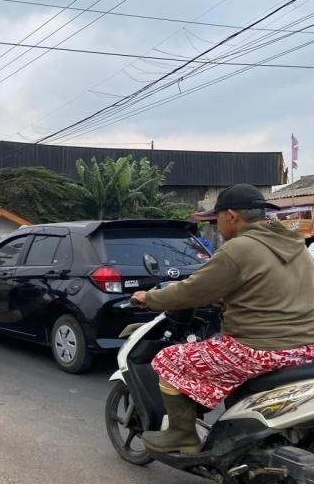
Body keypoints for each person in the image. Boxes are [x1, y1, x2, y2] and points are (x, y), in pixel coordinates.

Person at [131, 184, 314, 454]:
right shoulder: (295, 245)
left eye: (216, 219)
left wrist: (150, 298)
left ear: (232, 215)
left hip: (259, 349)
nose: (216, 226)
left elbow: (192, 290)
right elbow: (266, 287)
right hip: (305, 348)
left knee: (168, 359)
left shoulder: (237, 250)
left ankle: (182, 434)